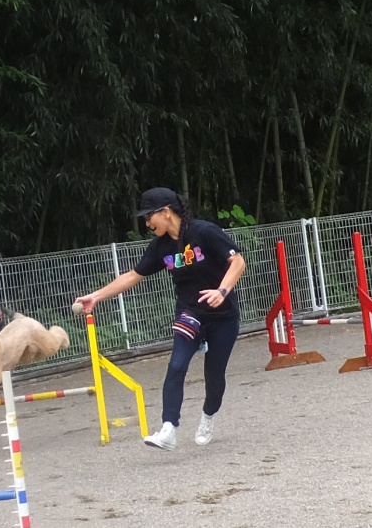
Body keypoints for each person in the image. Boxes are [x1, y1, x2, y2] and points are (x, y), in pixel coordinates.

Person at [74, 187, 246, 451]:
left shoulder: (204, 232)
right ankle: (168, 429)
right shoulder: (160, 247)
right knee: (176, 366)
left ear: (166, 212)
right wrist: (96, 296)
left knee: (214, 376)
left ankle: (208, 416)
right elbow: (133, 276)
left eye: (148, 216)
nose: (147, 223)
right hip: (190, 313)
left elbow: (238, 262)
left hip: (223, 315)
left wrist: (222, 291)